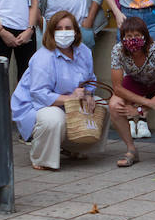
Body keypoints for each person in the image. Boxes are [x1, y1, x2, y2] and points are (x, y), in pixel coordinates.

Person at [10, 10, 101, 171]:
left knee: (101, 105)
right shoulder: (43, 57)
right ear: (51, 33)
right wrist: (71, 99)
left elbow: (90, 79)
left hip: (66, 102)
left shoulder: (84, 52)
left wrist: (88, 94)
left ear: (76, 31)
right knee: (53, 118)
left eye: (68, 28)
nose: (64, 32)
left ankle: (76, 147)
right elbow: (38, 94)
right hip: (34, 106)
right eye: (59, 29)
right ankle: (42, 158)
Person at [107, 15, 155, 165]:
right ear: (122, 38)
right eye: (128, 36)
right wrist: (147, 104)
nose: (132, 40)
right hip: (136, 80)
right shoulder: (118, 50)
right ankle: (131, 149)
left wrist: (139, 109)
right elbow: (117, 88)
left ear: (145, 36)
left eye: (137, 36)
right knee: (114, 105)